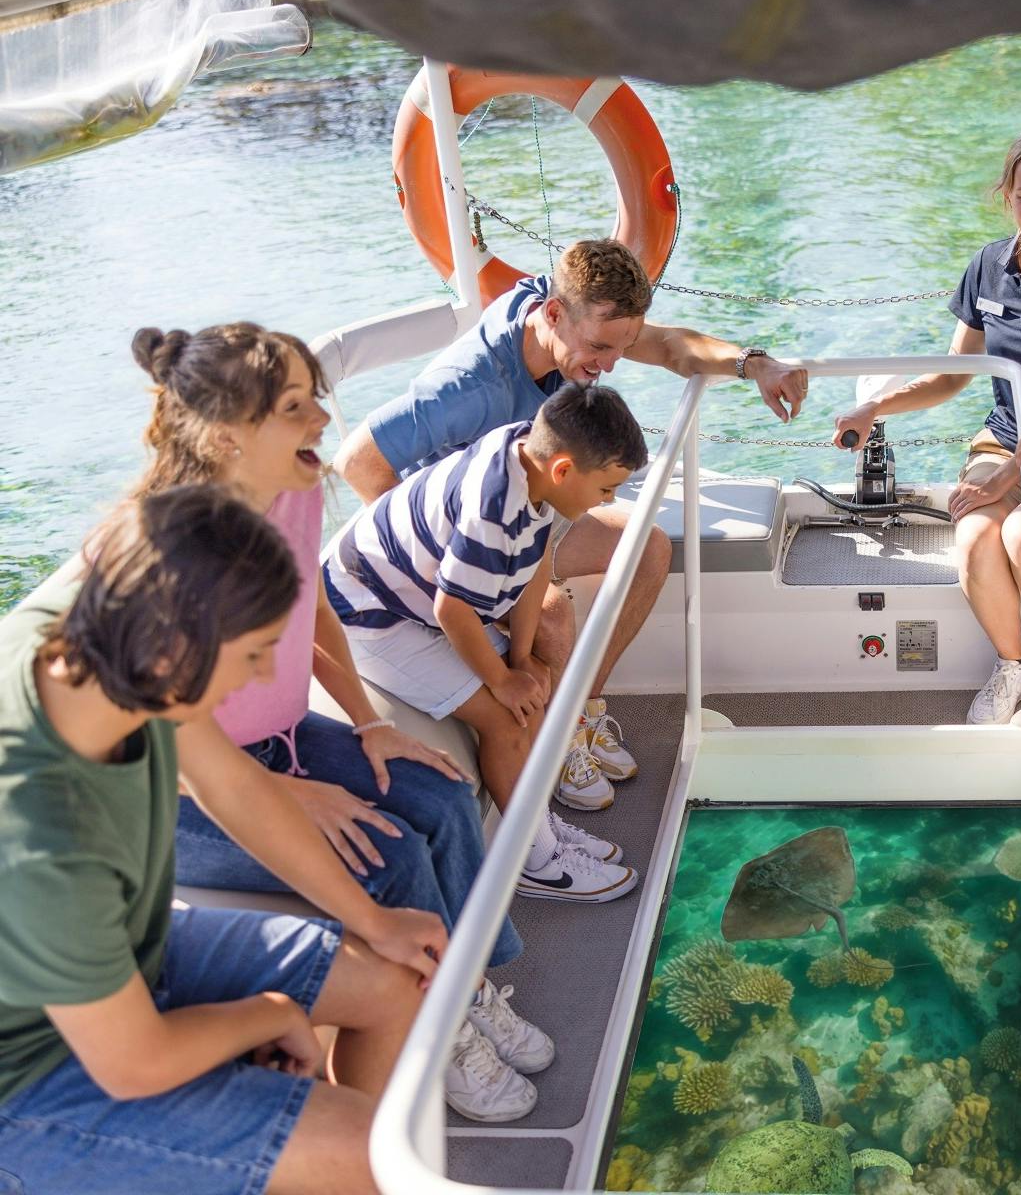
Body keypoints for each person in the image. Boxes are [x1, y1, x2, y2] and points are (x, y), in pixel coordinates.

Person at [128, 323, 564, 1121]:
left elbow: (315, 608)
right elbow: (177, 751)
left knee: (438, 799)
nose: (324, 422)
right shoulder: (171, 550)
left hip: (282, 741)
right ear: (229, 435)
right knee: (392, 852)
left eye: (316, 399)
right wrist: (290, 795)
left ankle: (469, 988)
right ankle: (445, 1031)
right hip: (180, 799)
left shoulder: (293, 493)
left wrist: (368, 725)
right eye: (296, 407)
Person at [0, 486, 442, 1195]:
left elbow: (231, 786)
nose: (266, 675)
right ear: (176, 650)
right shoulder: (44, 836)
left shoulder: (93, 638)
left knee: (397, 981)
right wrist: (264, 1017)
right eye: (255, 653)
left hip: (127, 950)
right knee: (368, 1154)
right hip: (33, 1080)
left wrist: (374, 921)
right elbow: (133, 1063)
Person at [334, 238, 809, 793]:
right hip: (464, 535)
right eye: (601, 348)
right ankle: (552, 755)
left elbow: (672, 347)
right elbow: (358, 463)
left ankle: (577, 715)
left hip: (530, 506)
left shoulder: (562, 312)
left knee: (647, 548)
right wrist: (450, 569)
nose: (609, 366)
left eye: (619, 348)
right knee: (553, 614)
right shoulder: (467, 387)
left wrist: (756, 365)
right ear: (554, 315)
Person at [830, 128, 1021, 727]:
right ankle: (1013, 666)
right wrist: (877, 408)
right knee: (974, 535)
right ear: (1007, 196)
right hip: (1002, 441)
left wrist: (1008, 477)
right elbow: (954, 377)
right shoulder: (987, 266)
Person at [325, 382, 648, 906]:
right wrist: (501, 679)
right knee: (505, 716)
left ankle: (537, 826)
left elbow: (537, 565)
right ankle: (536, 862)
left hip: (413, 595)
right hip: (369, 614)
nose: (607, 502)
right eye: (606, 489)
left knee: (532, 693)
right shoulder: (493, 512)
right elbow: (450, 609)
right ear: (564, 470)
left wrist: (523, 661)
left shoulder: (530, 458)